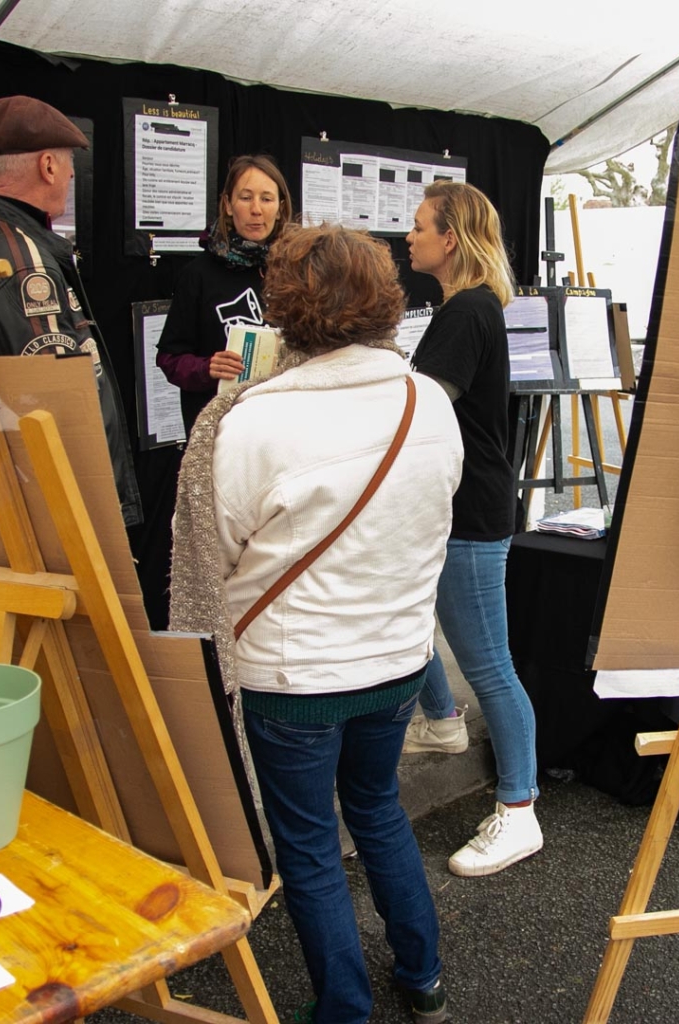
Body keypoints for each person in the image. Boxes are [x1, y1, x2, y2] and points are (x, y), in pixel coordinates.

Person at [169, 224, 462, 1024]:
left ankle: (344, 1009)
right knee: (378, 808)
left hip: (293, 671)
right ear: (384, 300)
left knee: (308, 846)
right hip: (398, 657)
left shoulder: (253, 421)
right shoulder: (426, 400)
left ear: (283, 306)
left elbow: (223, 550)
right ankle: (424, 977)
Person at [402, 180, 543, 877]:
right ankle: (442, 722)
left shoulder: (467, 312)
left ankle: (520, 810)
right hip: (453, 503)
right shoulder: (467, 307)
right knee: (407, 620)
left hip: (472, 511)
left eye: (419, 226)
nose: (409, 237)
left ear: (449, 238)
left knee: (489, 665)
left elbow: (425, 409)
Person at [0, 95, 142, 527]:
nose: (70, 174)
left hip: (8, 493)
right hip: (57, 512)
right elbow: (56, 407)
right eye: (68, 162)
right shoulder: (25, 265)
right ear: (47, 166)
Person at [156, 154, 292, 430]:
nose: (256, 209)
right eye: (246, 197)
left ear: (280, 208)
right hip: (222, 431)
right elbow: (170, 358)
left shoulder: (296, 270)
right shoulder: (198, 274)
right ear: (228, 205)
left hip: (282, 426)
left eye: (266, 199)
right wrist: (207, 368)